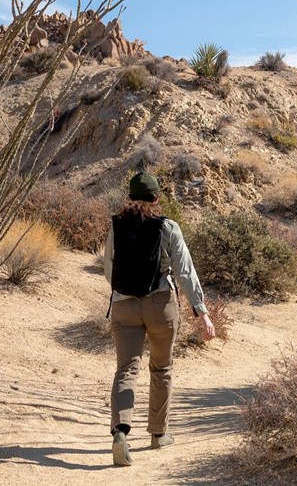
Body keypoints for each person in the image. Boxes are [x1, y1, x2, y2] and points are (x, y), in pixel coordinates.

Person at [103, 171, 215, 468]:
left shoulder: (116, 227)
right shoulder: (168, 227)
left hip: (123, 305)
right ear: (156, 198)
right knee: (161, 368)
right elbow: (185, 271)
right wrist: (201, 311)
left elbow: (108, 268)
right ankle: (158, 434)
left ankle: (120, 432)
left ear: (129, 197)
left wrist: (124, 292)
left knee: (126, 369)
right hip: (160, 305)